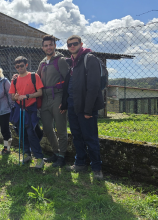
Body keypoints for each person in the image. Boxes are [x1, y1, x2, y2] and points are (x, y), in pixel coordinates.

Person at [60, 35, 104, 181]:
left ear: (81, 44)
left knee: (90, 138)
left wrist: (88, 109)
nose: (72, 46)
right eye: (69, 45)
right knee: (77, 136)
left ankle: (97, 168)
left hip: (86, 108)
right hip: (73, 105)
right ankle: (80, 164)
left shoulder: (89, 59)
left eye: (75, 44)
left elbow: (93, 86)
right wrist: (65, 103)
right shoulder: (72, 62)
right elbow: (69, 86)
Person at [36, 35, 70, 167]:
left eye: (50, 45)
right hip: (45, 98)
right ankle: (56, 153)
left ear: (55, 46)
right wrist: (20, 76)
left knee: (61, 128)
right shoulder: (42, 63)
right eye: (46, 45)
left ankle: (62, 156)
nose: (48, 47)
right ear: (43, 47)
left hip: (58, 96)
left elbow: (68, 81)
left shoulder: (61, 60)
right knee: (47, 128)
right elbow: (36, 78)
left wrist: (65, 101)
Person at [9, 56, 45, 169]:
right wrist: (15, 97)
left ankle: (39, 158)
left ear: (26, 65)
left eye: (22, 65)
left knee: (31, 132)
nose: (20, 68)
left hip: (30, 108)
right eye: (17, 66)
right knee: (21, 132)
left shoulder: (34, 76)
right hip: (19, 109)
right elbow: (12, 97)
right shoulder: (14, 80)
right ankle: (26, 154)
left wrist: (27, 96)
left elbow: (40, 92)